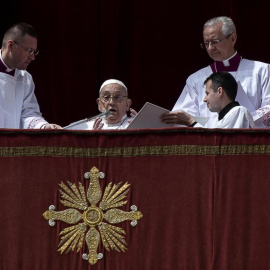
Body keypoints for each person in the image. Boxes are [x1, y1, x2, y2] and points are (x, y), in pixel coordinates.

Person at [166, 16, 270, 128]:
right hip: (208, 143)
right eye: (206, 43)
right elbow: (184, 117)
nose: (210, 48)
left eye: (215, 42)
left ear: (233, 39)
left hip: (250, 141)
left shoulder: (261, 70)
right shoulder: (195, 79)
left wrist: (239, 120)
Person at [0, 22, 61, 129]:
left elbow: (28, 114)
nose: (32, 57)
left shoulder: (25, 78)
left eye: (34, 52)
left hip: (10, 144)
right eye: (29, 51)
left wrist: (44, 127)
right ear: (11, 46)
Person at [161, 72, 254, 128]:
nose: (204, 99)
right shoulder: (226, 117)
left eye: (207, 93)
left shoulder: (239, 111)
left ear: (220, 91)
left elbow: (219, 144)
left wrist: (191, 122)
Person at [66, 79, 135, 130]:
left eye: (117, 97)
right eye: (106, 97)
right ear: (99, 104)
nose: (111, 102)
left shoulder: (137, 126)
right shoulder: (82, 128)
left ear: (127, 104)